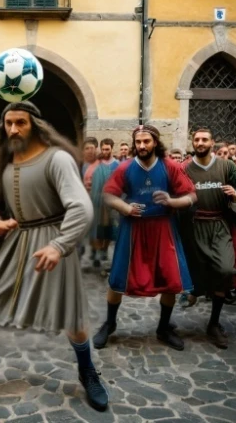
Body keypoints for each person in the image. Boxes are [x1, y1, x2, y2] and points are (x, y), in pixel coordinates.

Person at [0, 102, 109, 412]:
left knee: (72, 316)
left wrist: (59, 245)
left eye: (21, 122)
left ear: (36, 126)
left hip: (53, 243)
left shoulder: (57, 159)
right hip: (16, 243)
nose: (13, 129)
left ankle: (88, 373)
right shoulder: (2, 164)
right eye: (8, 123)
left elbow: (81, 207)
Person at [93, 125, 196, 352]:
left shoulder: (170, 166)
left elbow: (191, 195)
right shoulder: (126, 167)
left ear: (155, 142)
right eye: (138, 142)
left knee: (169, 279)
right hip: (133, 229)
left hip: (163, 229)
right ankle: (109, 324)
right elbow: (109, 195)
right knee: (118, 278)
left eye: (146, 141)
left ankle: (163, 328)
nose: (141, 146)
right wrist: (126, 208)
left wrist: (172, 202)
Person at [179, 128, 236, 348]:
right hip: (193, 227)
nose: (200, 143)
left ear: (212, 143)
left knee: (225, 270)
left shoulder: (226, 166)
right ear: (193, 142)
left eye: (204, 139)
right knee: (194, 273)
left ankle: (214, 323)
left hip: (219, 225)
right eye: (197, 139)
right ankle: (191, 296)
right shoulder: (183, 168)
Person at [90, 139, 119, 269]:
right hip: (99, 202)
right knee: (99, 228)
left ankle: (104, 250)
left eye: (107, 149)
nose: (105, 151)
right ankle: (97, 251)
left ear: (112, 149)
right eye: (103, 149)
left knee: (110, 228)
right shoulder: (97, 165)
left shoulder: (117, 165)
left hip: (112, 203)